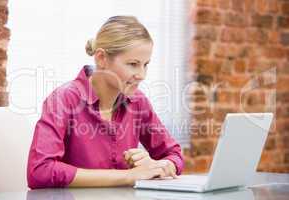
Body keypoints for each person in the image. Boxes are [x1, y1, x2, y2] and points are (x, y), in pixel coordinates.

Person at [27, 16, 184, 189]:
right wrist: (129, 176)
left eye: (145, 65)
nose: (142, 75)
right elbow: (39, 172)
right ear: (101, 58)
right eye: (133, 64)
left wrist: (160, 167)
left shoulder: (138, 101)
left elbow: (173, 154)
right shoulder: (62, 100)